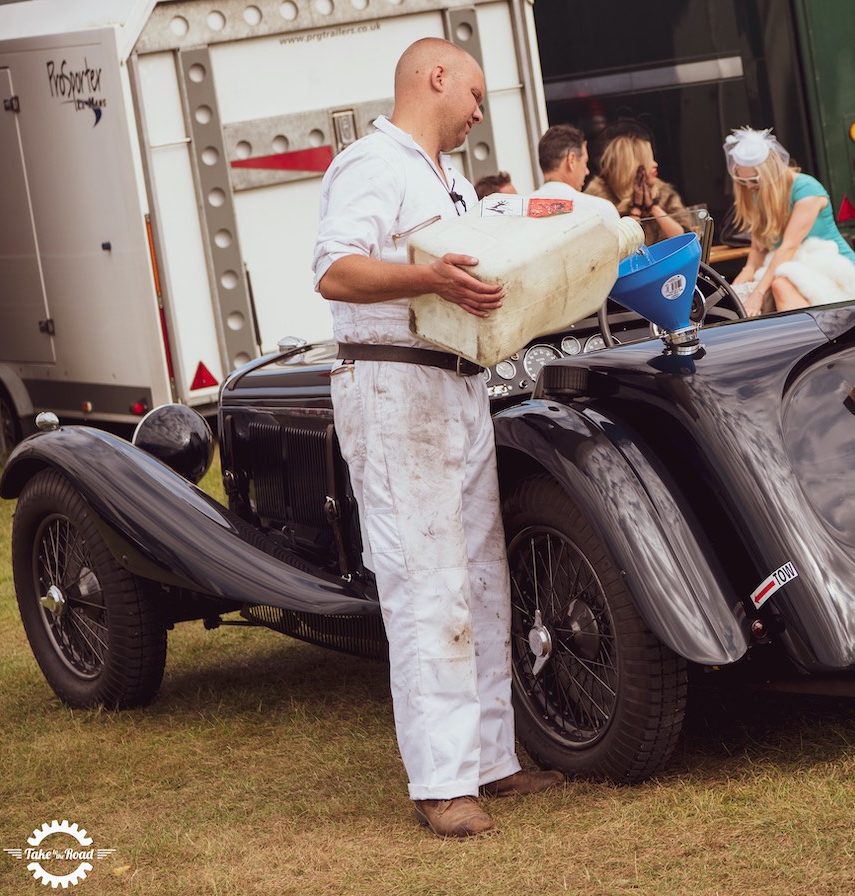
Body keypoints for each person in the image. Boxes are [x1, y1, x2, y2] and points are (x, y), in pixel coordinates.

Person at [311, 36, 563, 840]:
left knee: (481, 579)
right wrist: (429, 277)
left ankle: (492, 760)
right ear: (436, 77)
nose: (480, 111)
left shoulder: (449, 181)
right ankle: (441, 783)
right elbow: (334, 269)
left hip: (456, 385)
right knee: (428, 584)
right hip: (393, 385)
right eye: (476, 94)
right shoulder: (371, 165)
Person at [724, 126, 855, 316]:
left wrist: (758, 293)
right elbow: (755, 256)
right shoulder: (758, 194)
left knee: (780, 285)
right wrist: (733, 294)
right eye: (743, 182)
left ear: (770, 172)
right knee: (763, 291)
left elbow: (788, 247)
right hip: (794, 270)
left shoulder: (806, 189)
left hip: (837, 272)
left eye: (755, 180)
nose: (750, 187)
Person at [585, 131, 687, 244]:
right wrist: (636, 209)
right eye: (648, 160)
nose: (655, 164)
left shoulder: (663, 193)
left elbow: (683, 238)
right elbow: (622, 248)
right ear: (632, 165)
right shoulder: (600, 202)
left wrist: (653, 207)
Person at [531, 123, 619, 224]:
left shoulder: (520, 211)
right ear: (571, 160)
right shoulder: (601, 211)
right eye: (585, 162)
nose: (587, 171)